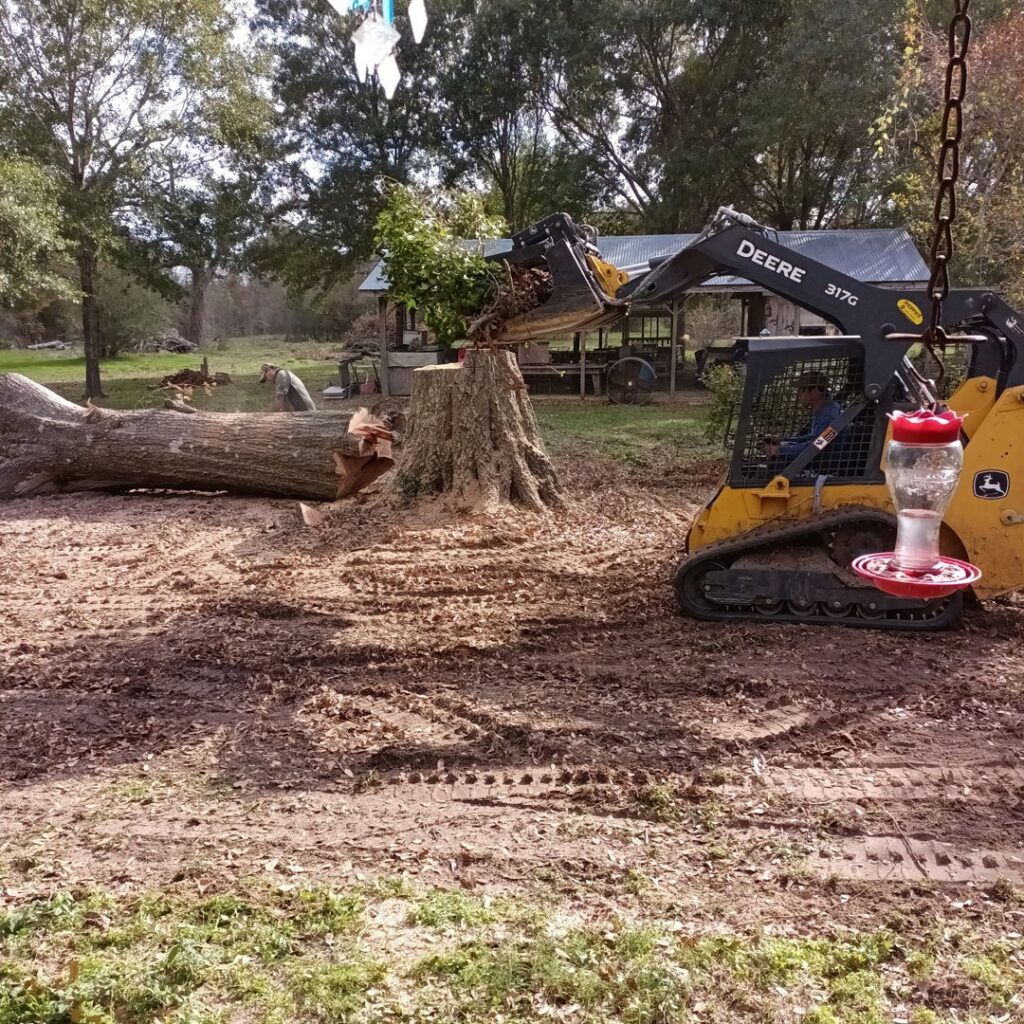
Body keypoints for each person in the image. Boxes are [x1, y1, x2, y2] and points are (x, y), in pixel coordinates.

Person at [765, 370, 841, 460]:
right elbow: (813, 439)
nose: (798, 395)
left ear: (814, 391)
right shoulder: (824, 411)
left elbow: (817, 446)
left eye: (801, 390)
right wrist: (783, 441)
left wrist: (780, 450)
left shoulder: (828, 416)